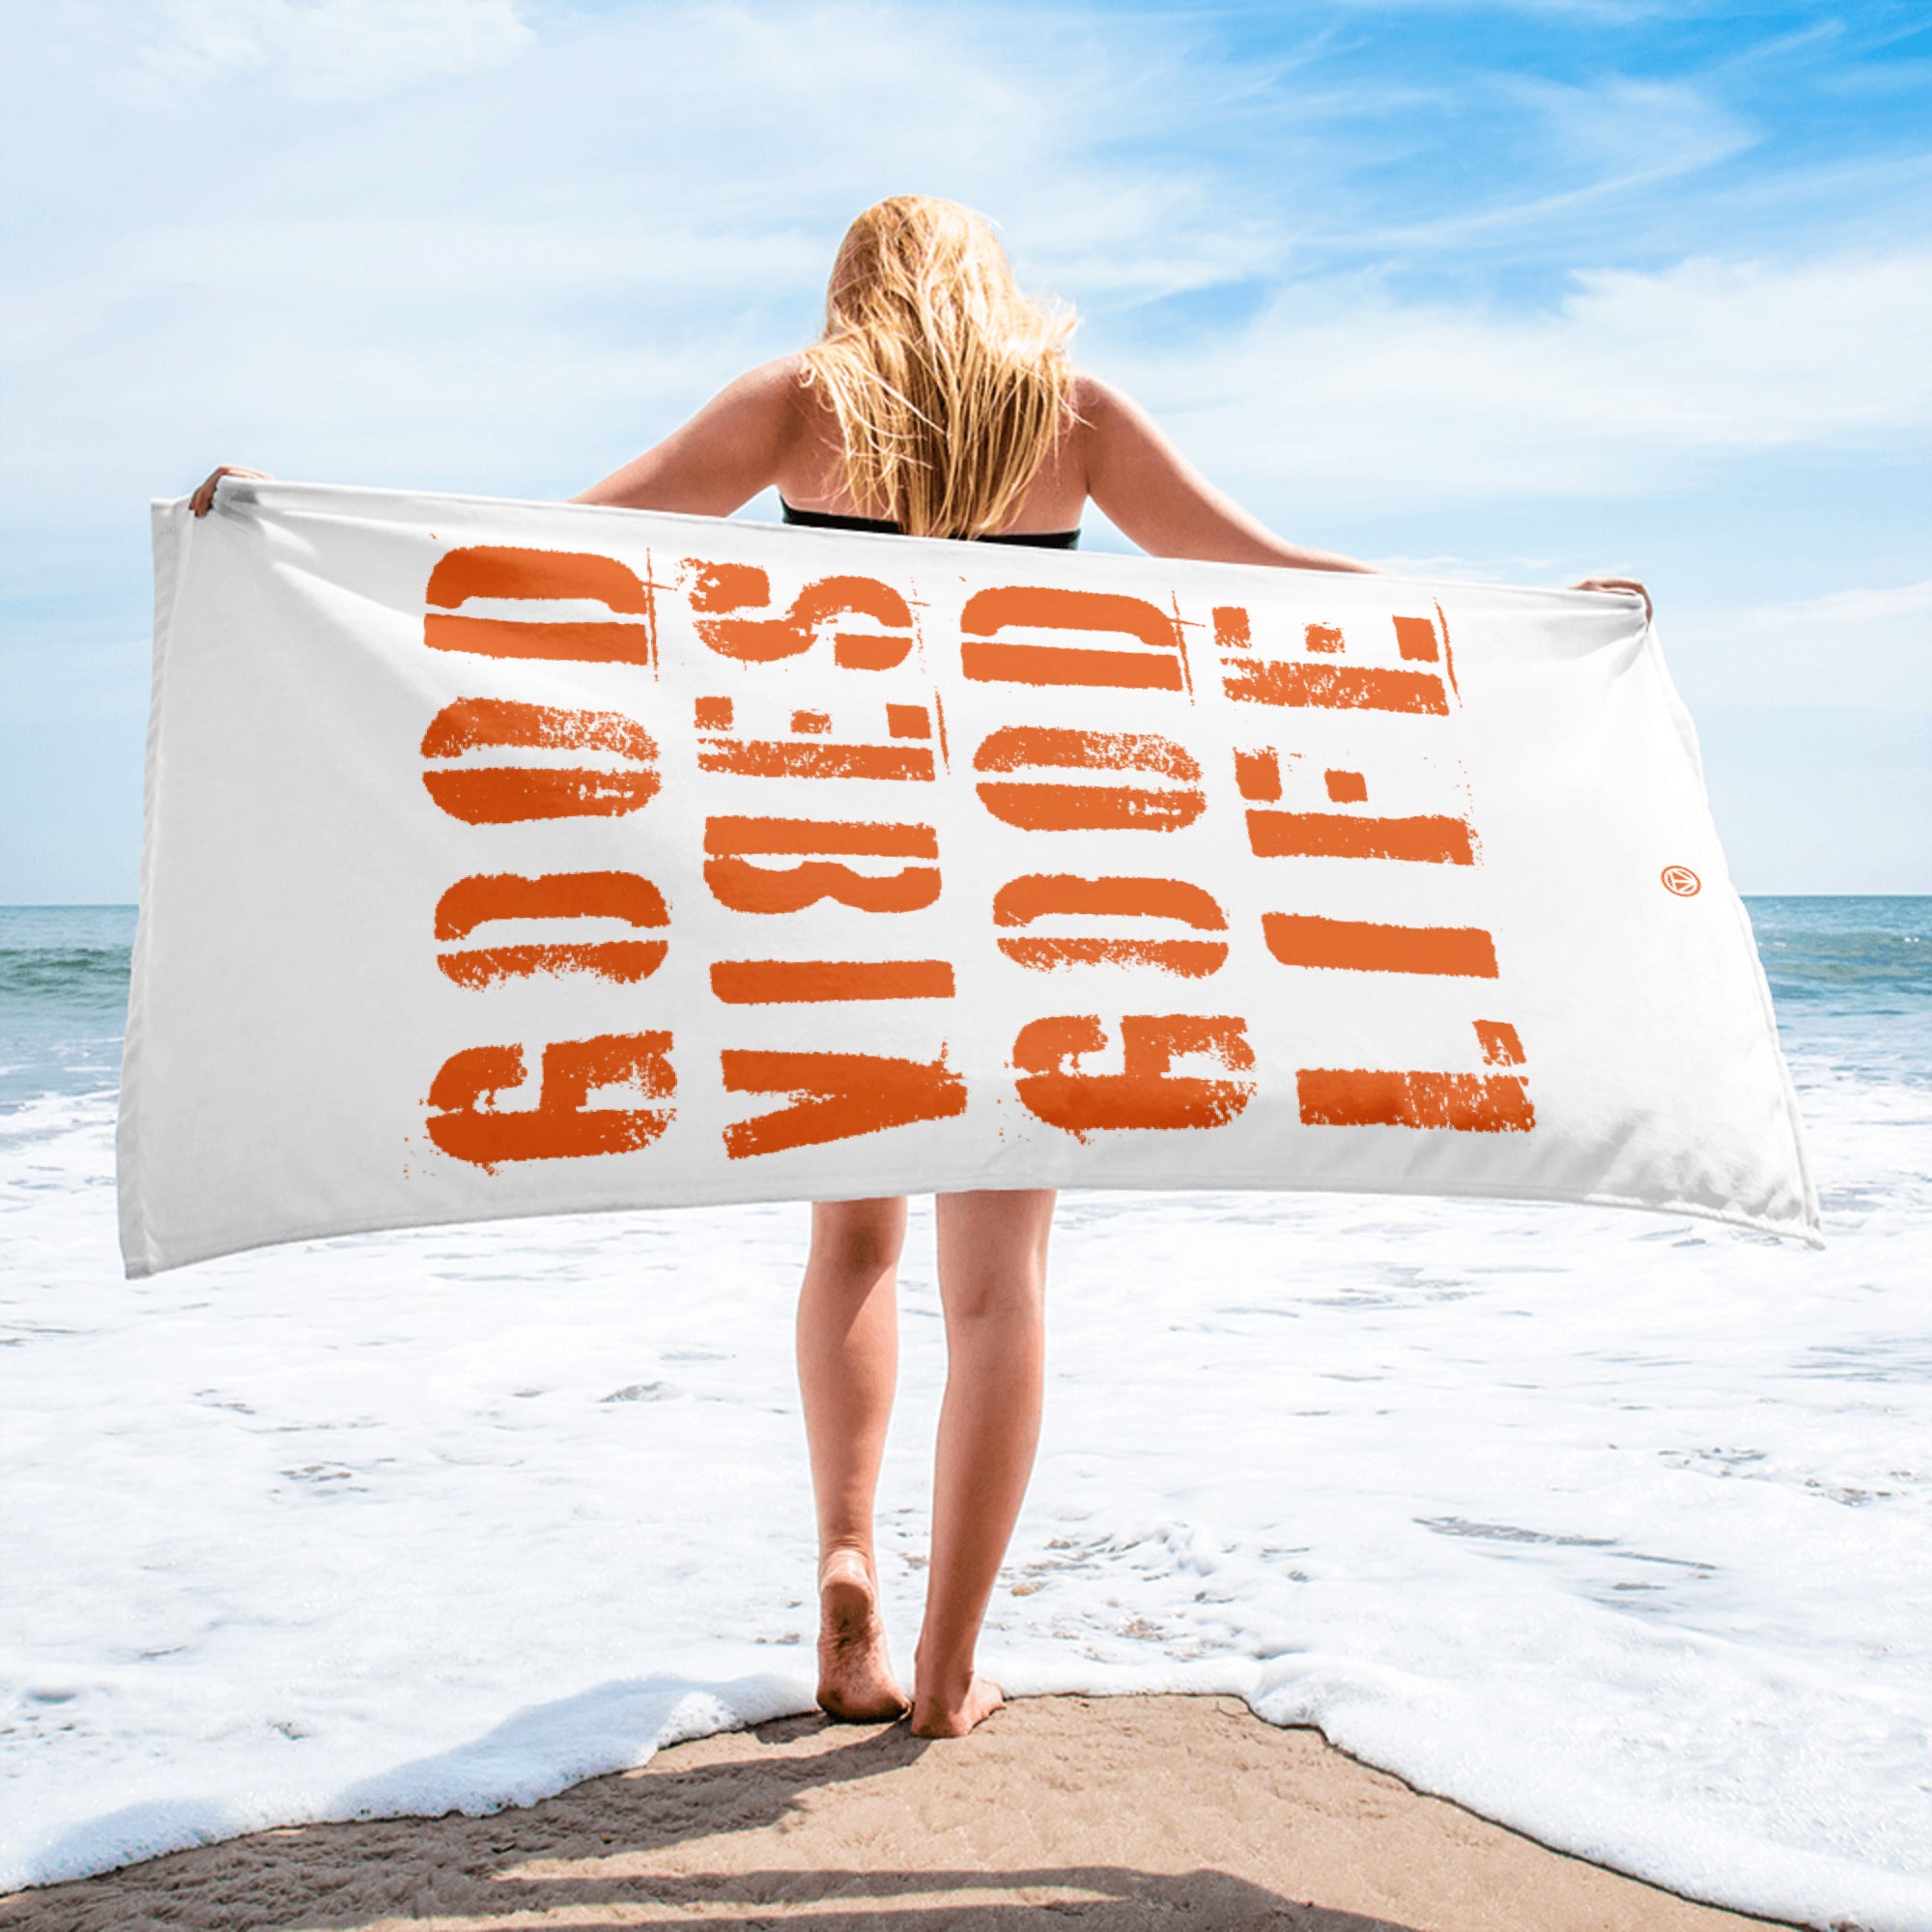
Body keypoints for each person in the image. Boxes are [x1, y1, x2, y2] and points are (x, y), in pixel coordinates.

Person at [191, 194, 1646, 1740]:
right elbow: (1269, 573)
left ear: (854, 288)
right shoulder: (1070, 413)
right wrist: (1529, 621)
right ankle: (949, 1675)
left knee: (855, 1251)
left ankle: (843, 1563)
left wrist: (303, 530)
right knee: (1002, 1293)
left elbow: (562, 550)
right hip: (1030, 873)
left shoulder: (799, 403)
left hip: (832, 872)